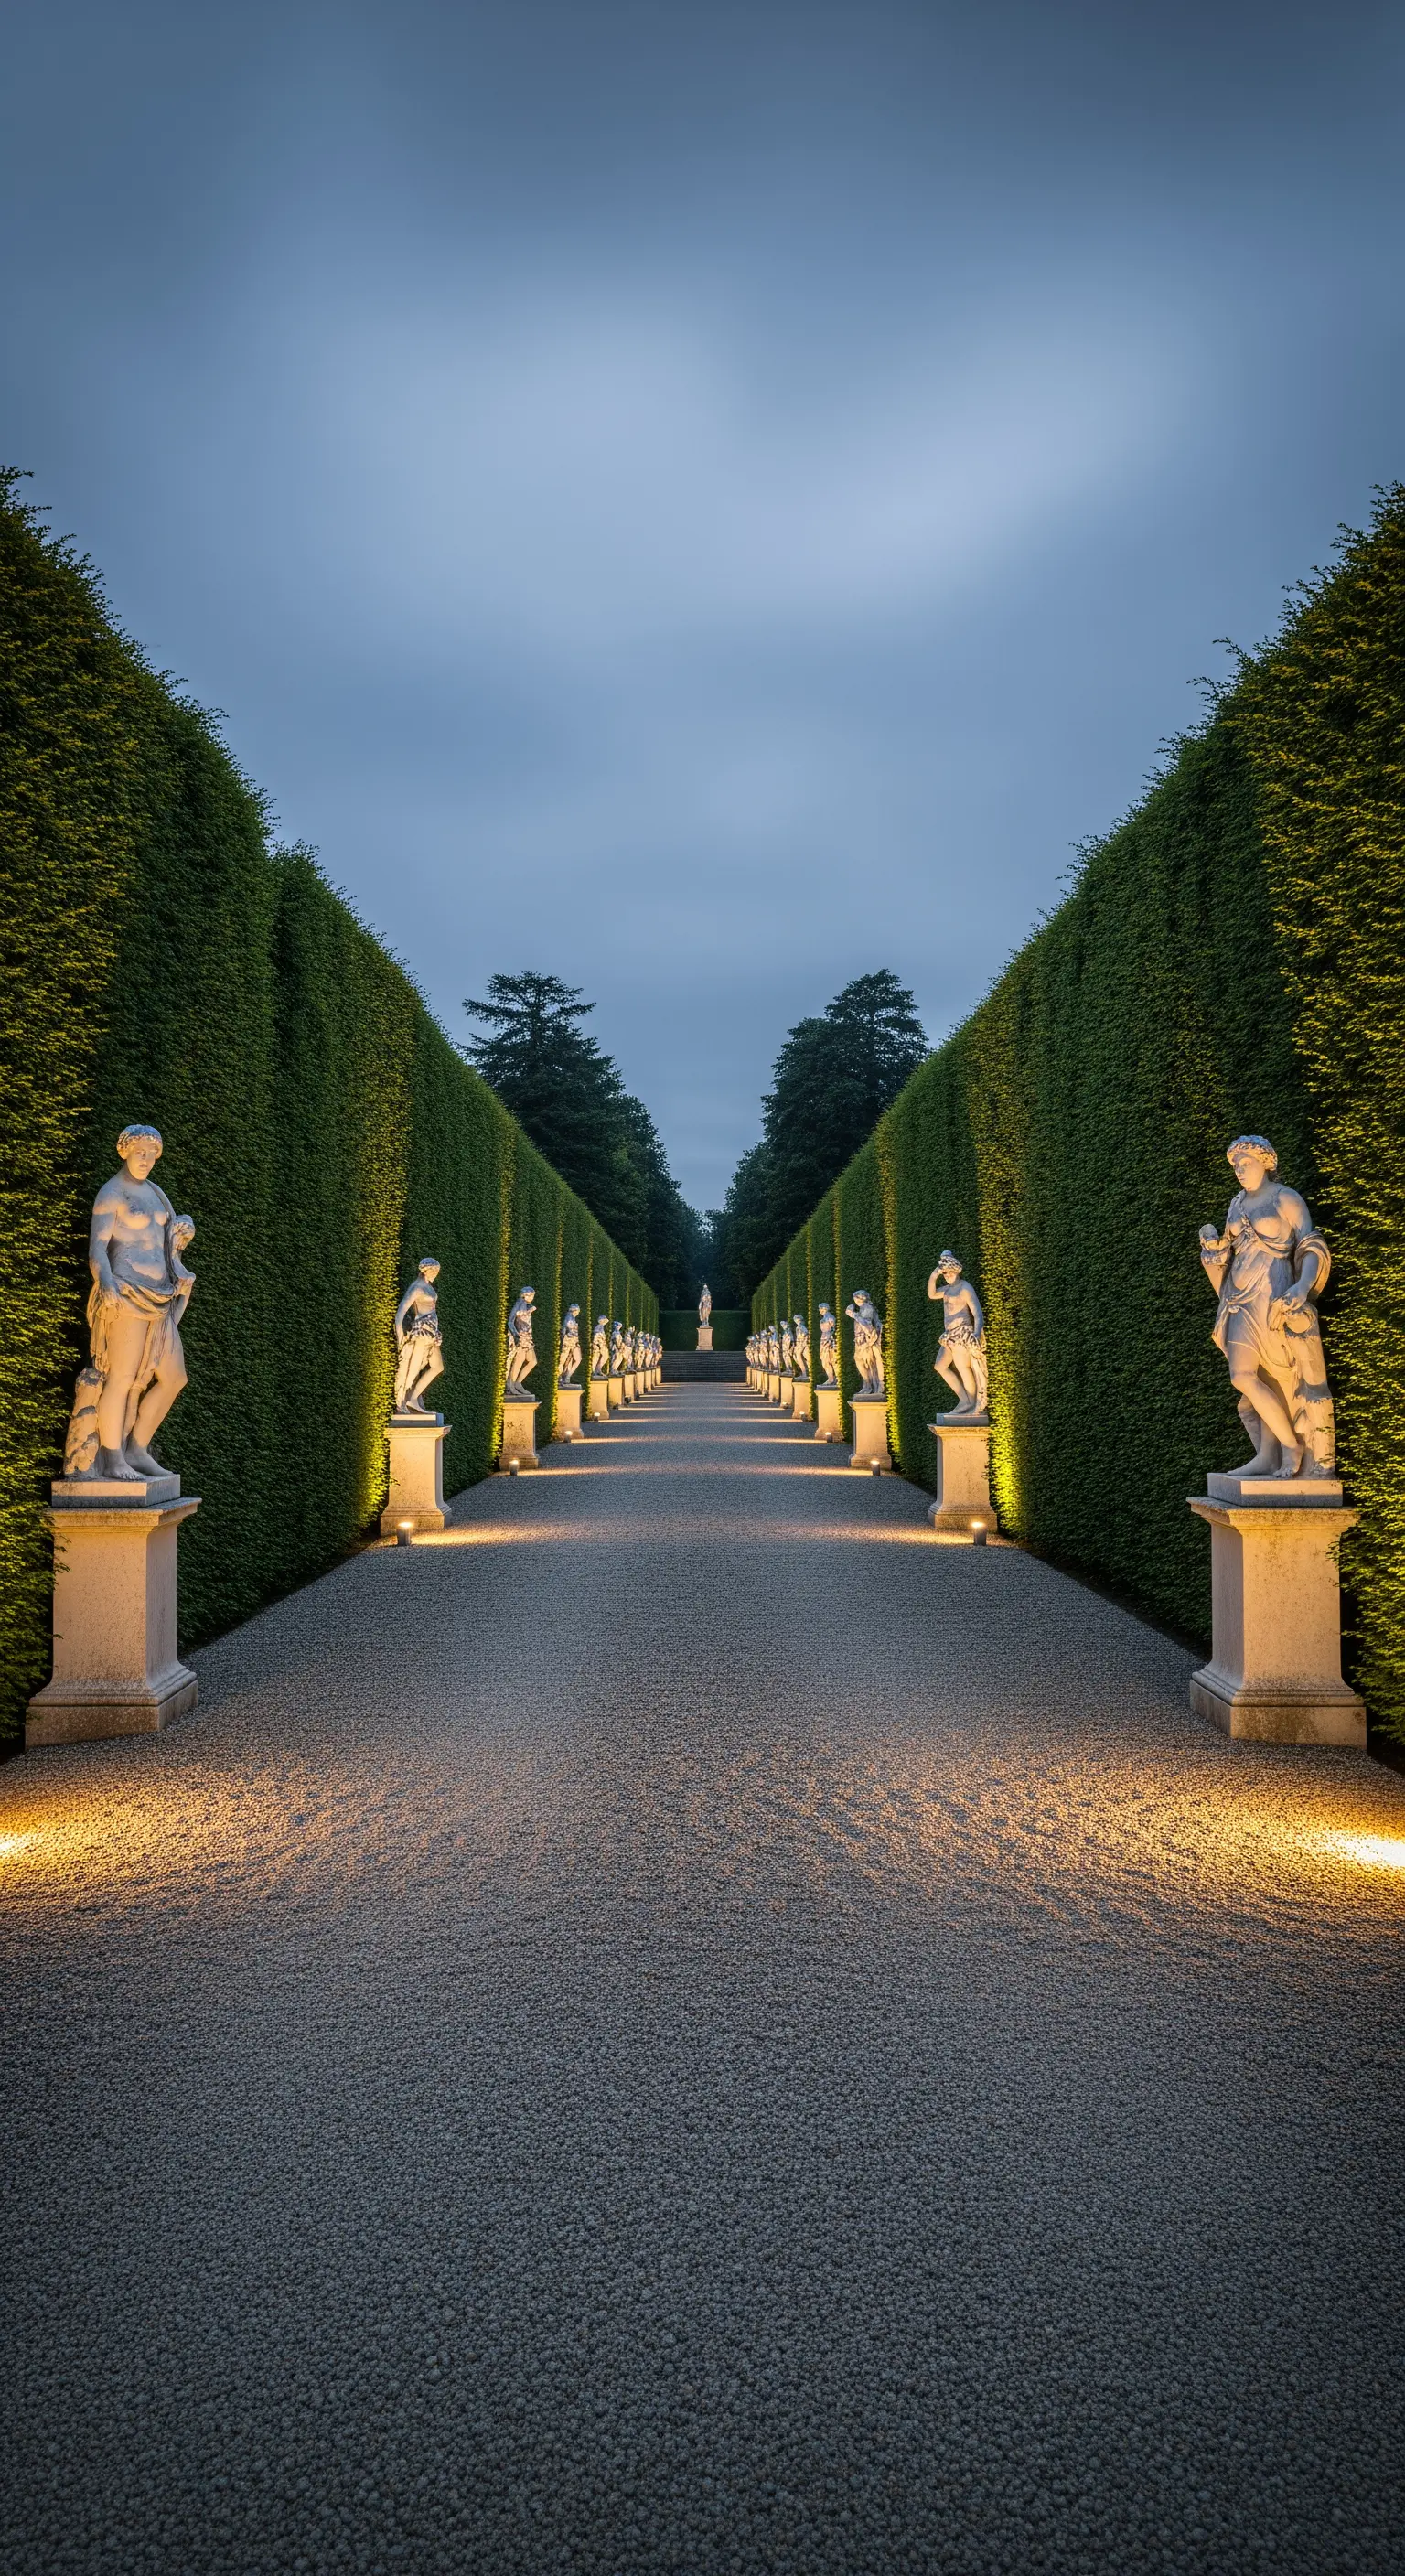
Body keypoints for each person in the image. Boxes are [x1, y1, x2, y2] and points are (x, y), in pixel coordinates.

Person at [1198, 1135, 1335, 1477]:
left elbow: (1310, 1244)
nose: (1240, 1170)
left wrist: (1302, 1285)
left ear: (1266, 1162)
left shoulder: (1285, 1198)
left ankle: (1282, 1452)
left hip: (1272, 1292)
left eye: (1246, 1163)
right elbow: (1226, 1252)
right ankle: (1281, 1448)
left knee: (1276, 1376)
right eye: (1236, 1166)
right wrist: (1213, 1248)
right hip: (1238, 1298)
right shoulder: (1237, 1204)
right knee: (1244, 1376)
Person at [79, 1124, 194, 1480]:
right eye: (140, 1153)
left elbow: (167, 1237)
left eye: (152, 1155)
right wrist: (106, 1284)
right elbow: (97, 1248)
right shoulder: (112, 1193)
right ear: (125, 1151)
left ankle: (137, 1448)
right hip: (126, 1293)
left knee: (174, 1377)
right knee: (122, 1377)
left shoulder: (156, 1193)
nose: (146, 1160)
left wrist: (183, 1228)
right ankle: (113, 1458)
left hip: (160, 1297)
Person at [927, 1252, 988, 1420]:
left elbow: (977, 1313)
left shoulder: (965, 1287)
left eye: (949, 1272)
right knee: (940, 1366)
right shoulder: (947, 1289)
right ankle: (965, 1400)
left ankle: (971, 1403)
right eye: (945, 1273)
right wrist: (935, 1274)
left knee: (963, 1368)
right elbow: (932, 1294)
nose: (947, 1276)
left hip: (962, 1333)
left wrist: (976, 1335)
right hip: (949, 1335)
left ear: (956, 1271)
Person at [392, 1259, 445, 1413]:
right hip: (421, 1333)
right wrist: (400, 1336)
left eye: (436, 1271)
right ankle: (402, 1401)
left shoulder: (428, 1286)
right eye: (433, 1271)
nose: (435, 1274)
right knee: (413, 1369)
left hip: (432, 1333)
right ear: (425, 1270)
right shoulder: (416, 1287)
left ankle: (413, 1398)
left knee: (437, 1367)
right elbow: (401, 1311)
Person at [504, 1285, 538, 1397]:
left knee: (532, 1361)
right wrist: (515, 1334)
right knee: (519, 1361)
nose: (532, 1297)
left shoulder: (526, 1305)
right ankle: (511, 1385)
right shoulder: (519, 1303)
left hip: (528, 1338)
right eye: (531, 1295)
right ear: (525, 1295)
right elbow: (510, 1321)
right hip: (521, 1337)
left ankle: (517, 1383)